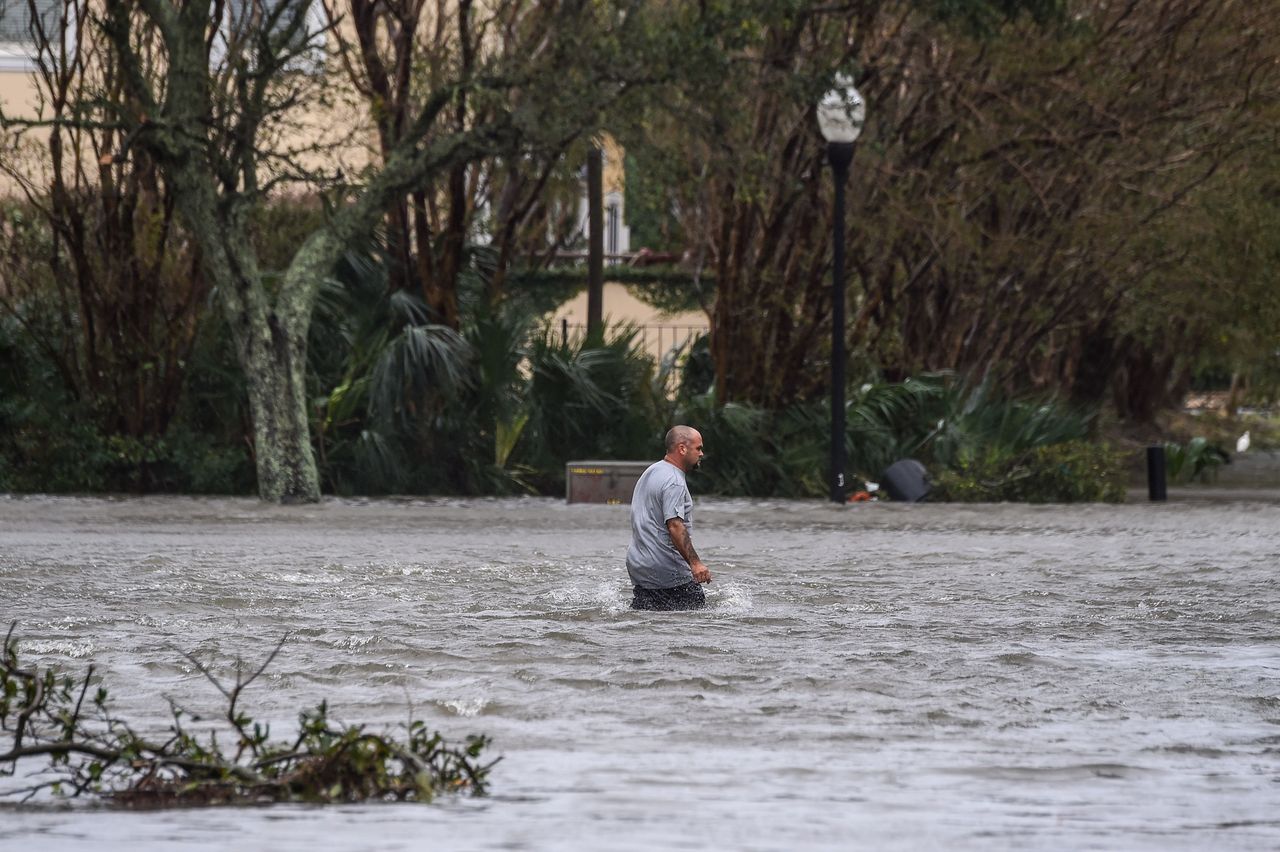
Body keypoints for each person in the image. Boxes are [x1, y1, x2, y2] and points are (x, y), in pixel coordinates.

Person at [626, 425, 712, 611]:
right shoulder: (674, 481)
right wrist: (695, 563)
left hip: (641, 567)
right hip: (668, 571)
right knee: (697, 625)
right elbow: (674, 525)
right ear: (682, 448)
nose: (701, 453)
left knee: (647, 624)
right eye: (698, 448)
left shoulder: (652, 471)